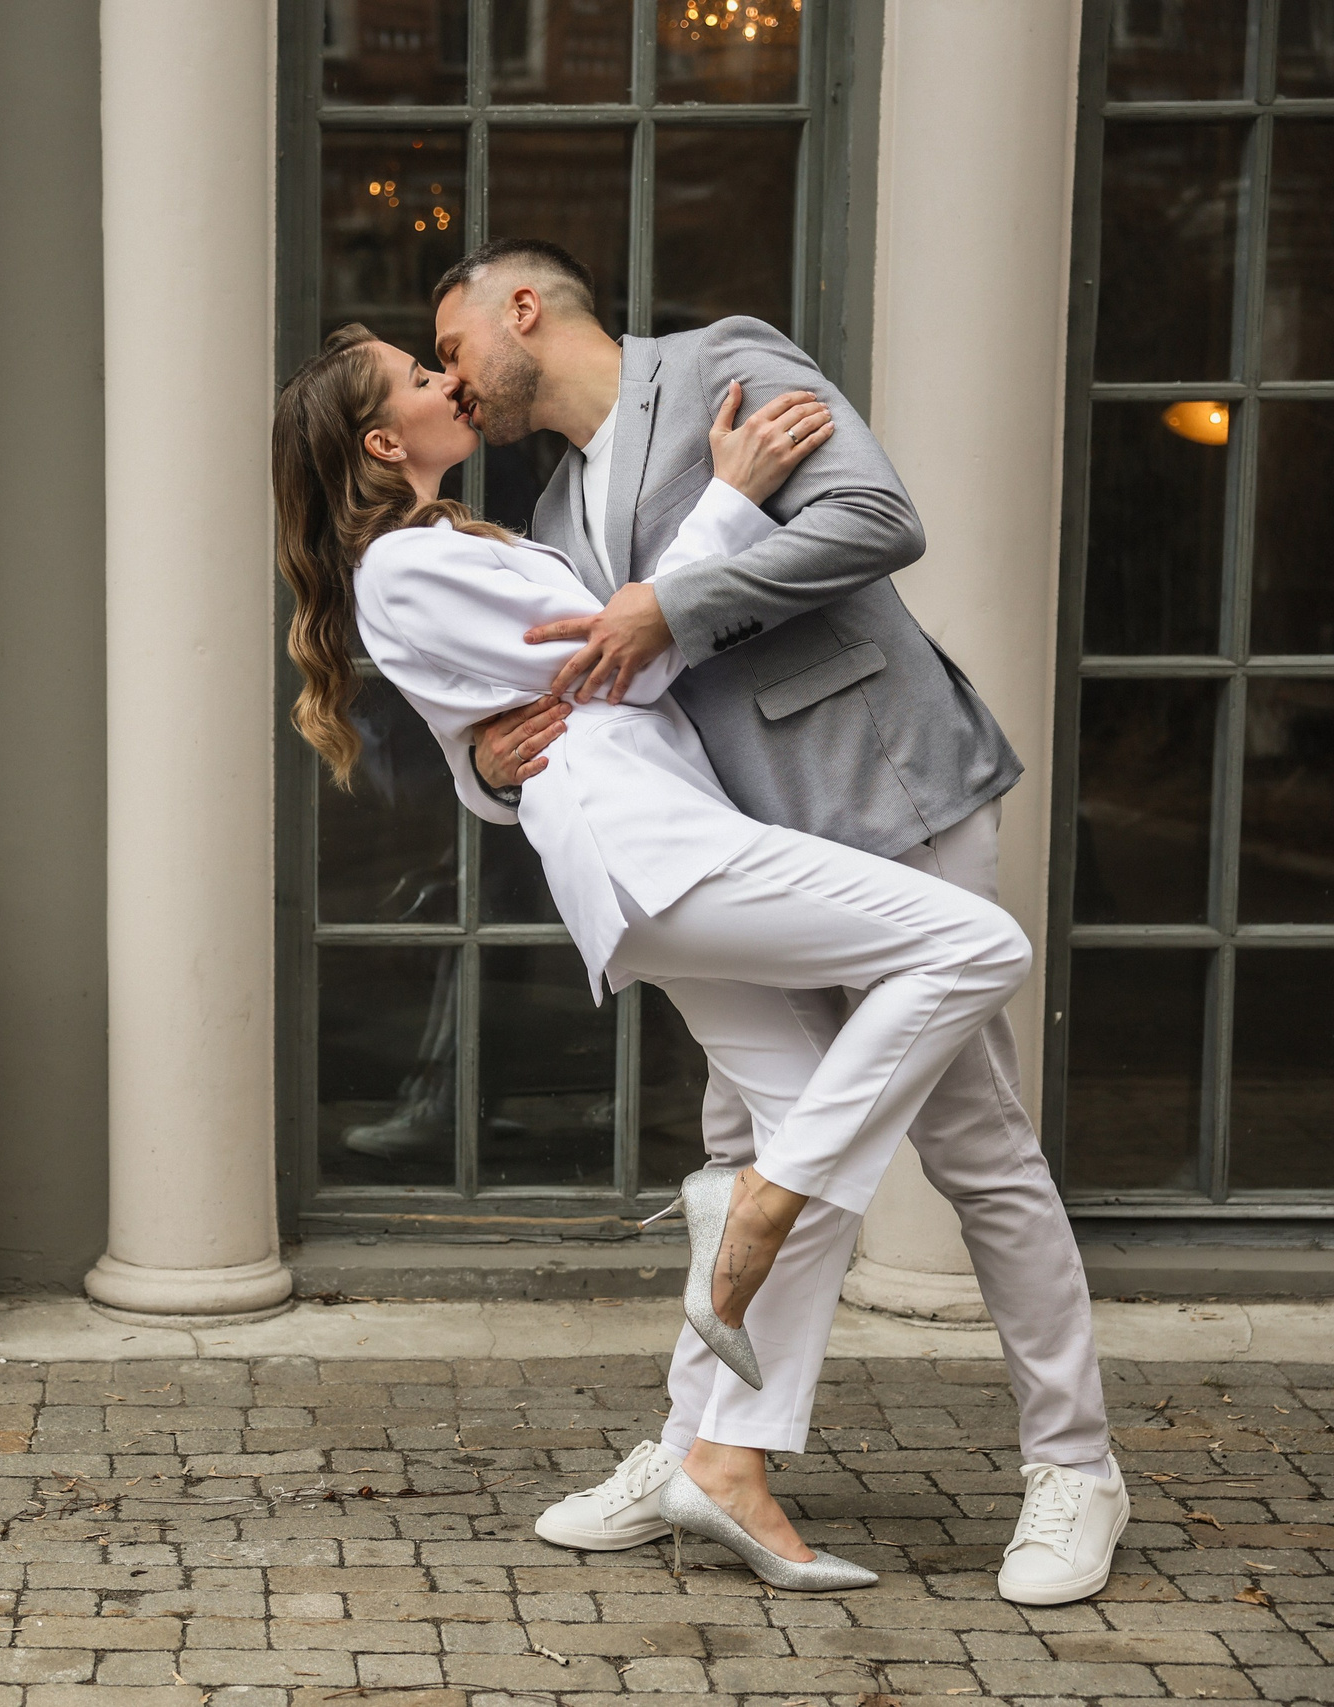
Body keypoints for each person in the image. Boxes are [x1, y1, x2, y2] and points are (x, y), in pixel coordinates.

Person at [273, 322, 1035, 1592]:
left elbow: (588, 669)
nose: (443, 380)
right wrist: (733, 500)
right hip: (658, 852)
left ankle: (721, 1458)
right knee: (972, 943)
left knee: (814, 1141)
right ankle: (752, 1198)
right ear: (380, 441)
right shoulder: (401, 563)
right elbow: (623, 653)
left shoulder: (451, 541)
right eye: (419, 376)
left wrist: (516, 732)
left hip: (663, 848)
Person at [433, 236, 1127, 1606]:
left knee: (975, 1139)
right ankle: (710, 1449)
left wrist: (674, 597)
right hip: (754, 852)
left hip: (891, 793)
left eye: (450, 344)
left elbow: (878, 515)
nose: (452, 381)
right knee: (745, 1140)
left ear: (524, 305)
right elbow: (569, 692)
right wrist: (488, 768)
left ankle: (1075, 1465)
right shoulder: (560, 512)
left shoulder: (726, 364)